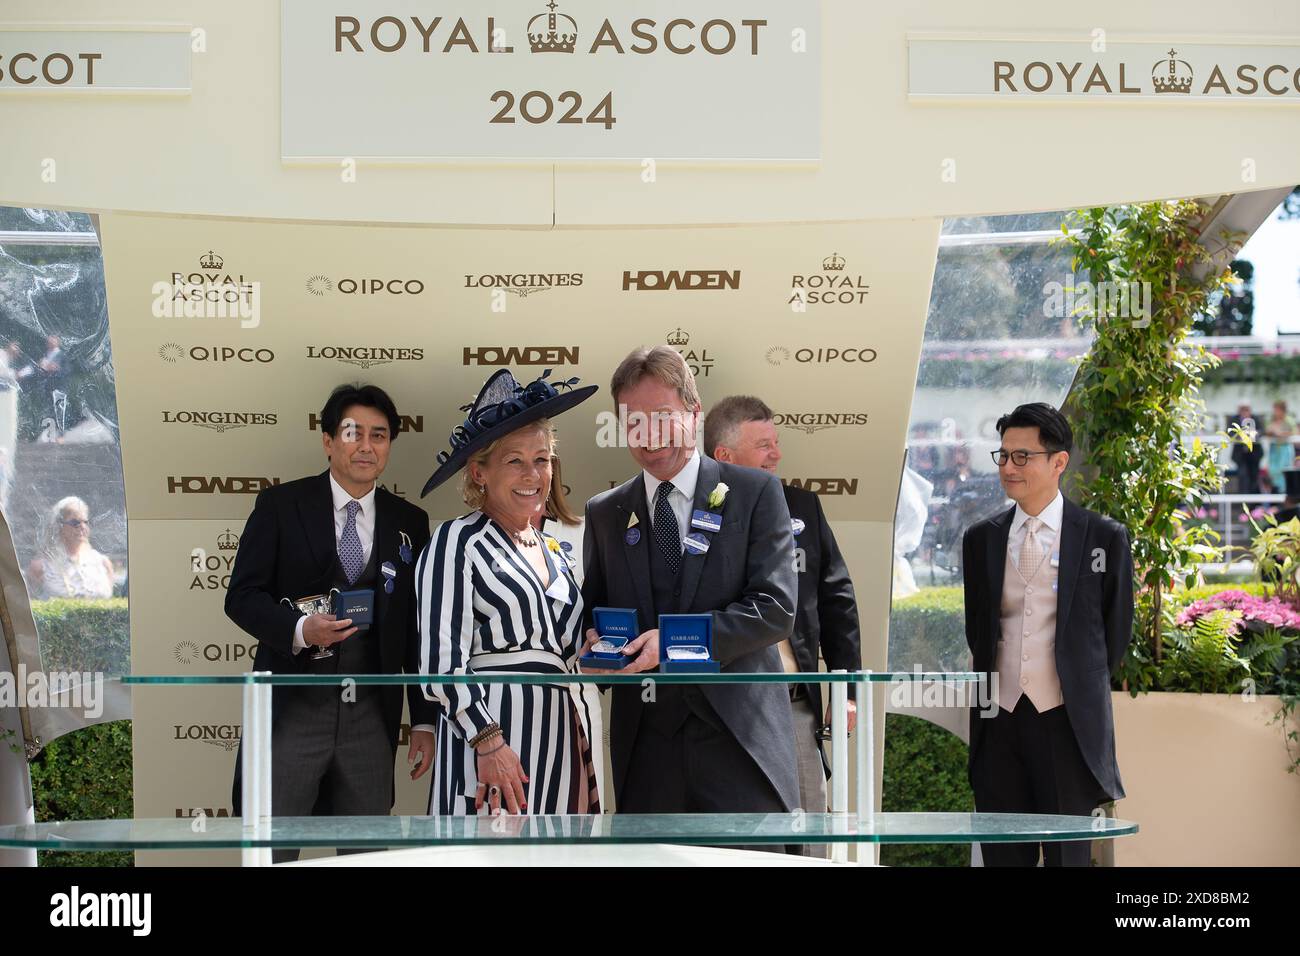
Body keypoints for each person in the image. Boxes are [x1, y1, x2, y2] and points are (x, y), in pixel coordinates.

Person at [580, 346, 800, 820]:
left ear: (694, 412)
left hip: (741, 743)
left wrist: (675, 644)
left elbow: (775, 608)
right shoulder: (604, 512)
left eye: (662, 416)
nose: (649, 435)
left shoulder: (755, 493)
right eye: (633, 421)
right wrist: (593, 643)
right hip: (647, 754)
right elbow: (593, 611)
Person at [224, 384, 435, 861]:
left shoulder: (411, 522)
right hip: (294, 709)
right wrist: (299, 631)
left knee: (367, 852)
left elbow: (416, 631)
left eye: (379, 435)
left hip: (371, 717)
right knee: (271, 847)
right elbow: (241, 597)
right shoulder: (280, 507)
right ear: (327, 440)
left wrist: (424, 721)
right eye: (352, 432)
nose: (366, 446)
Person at [415, 369, 603, 816]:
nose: (532, 474)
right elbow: (439, 666)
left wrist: (596, 650)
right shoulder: (456, 542)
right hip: (492, 748)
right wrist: (488, 742)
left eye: (542, 459)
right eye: (514, 460)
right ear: (479, 471)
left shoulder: (555, 550)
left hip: (562, 741)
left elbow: (563, 650)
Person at [961, 402, 1134, 866]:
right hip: (998, 724)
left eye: (1023, 457)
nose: (1009, 467)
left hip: (1067, 724)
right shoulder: (981, 540)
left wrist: (1073, 684)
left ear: (1058, 462)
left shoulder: (1103, 537)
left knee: (1066, 860)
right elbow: (977, 630)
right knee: (1003, 858)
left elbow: (1113, 634)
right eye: (1003, 456)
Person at [703, 394, 862, 854]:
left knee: (809, 842)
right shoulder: (697, 516)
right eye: (763, 445)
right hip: (730, 711)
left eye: (776, 442)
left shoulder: (804, 507)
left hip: (795, 707)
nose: (777, 454)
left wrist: (846, 690)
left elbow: (838, 601)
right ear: (724, 456)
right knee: (741, 846)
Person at [27, 496, 114, 599]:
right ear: (59, 526)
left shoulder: (103, 563)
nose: (82, 527)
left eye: (85, 522)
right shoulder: (40, 567)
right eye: (75, 523)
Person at [1229, 403, 1263, 494]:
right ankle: (1243, 500)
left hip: (1254, 454)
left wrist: (1252, 434)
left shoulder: (1255, 418)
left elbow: (1261, 431)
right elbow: (1230, 433)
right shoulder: (1234, 419)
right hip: (1240, 455)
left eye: (1247, 409)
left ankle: (1254, 504)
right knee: (1242, 476)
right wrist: (1241, 436)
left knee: (1254, 477)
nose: (1245, 412)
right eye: (1242, 409)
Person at [1265, 400, 1296, 480]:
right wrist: (1271, 432)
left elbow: (1295, 432)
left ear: (1282, 410)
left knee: (1284, 469)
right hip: (1274, 449)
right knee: (1273, 470)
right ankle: (1276, 489)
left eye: (1277, 409)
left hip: (1285, 448)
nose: (1275, 412)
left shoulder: (1289, 420)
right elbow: (1267, 431)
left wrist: (1280, 434)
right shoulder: (1272, 420)